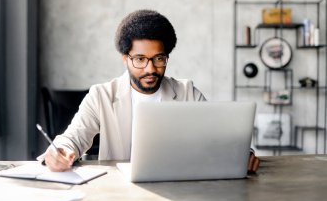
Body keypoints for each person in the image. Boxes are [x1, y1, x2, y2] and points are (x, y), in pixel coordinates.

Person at [42, 9, 260, 173]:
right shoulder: (101, 96)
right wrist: (59, 151)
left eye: (158, 59)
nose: (151, 69)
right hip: (117, 194)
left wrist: (243, 154)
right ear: (125, 58)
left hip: (177, 188)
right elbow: (73, 137)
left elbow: (221, 137)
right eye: (139, 59)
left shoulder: (186, 92)